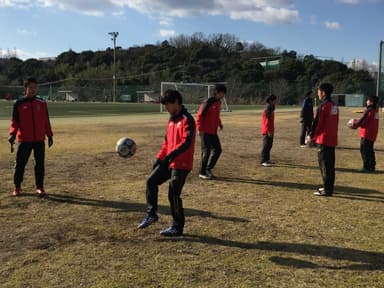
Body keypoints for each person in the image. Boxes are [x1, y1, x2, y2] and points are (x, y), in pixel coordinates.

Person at [137, 89, 196, 237]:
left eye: (168, 105)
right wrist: (159, 158)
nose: (166, 108)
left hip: (181, 164)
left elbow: (186, 142)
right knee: (151, 181)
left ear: (176, 102)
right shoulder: (171, 120)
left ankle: (177, 227)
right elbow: (166, 143)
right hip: (168, 161)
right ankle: (151, 214)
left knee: (173, 194)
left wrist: (171, 155)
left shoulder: (187, 119)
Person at [8, 77, 54, 197]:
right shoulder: (19, 103)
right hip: (24, 140)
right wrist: (12, 134)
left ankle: (40, 187)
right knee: (20, 164)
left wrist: (49, 135)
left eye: (35, 87)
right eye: (31, 88)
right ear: (25, 88)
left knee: (40, 164)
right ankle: (17, 187)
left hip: (39, 139)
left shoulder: (42, 103)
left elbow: (46, 120)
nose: (33, 90)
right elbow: (15, 121)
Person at [307, 83, 339, 196]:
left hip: (324, 140)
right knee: (330, 165)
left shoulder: (323, 106)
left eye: (319, 91)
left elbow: (317, 123)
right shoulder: (334, 105)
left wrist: (311, 136)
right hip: (331, 139)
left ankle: (327, 189)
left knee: (325, 165)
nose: (318, 93)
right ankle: (328, 187)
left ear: (323, 92)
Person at [196, 84, 226, 179]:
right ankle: (202, 172)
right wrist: (199, 129)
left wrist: (219, 123)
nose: (223, 95)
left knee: (218, 150)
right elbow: (199, 116)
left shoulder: (218, 102)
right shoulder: (208, 102)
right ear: (217, 92)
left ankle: (208, 169)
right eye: (222, 93)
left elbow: (216, 115)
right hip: (205, 131)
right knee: (206, 151)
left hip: (213, 131)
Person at [351, 95, 379, 173]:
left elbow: (362, 120)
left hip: (366, 133)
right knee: (370, 150)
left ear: (371, 102)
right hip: (372, 133)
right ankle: (372, 167)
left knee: (364, 150)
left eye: (367, 100)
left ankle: (366, 167)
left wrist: (354, 125)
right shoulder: (375, 110)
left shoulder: (369, 110)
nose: (366, 101)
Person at [260, 94, 277, 167]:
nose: (276, 102)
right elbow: (267, 121)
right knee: (266, 145)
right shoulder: (268, 109)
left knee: (269, 145)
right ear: (270, 101)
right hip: (267, 130)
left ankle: (267, 159)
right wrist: (268, 131)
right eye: (274, 100)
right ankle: (263, 161)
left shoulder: (271, 108)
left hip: (271, 130)